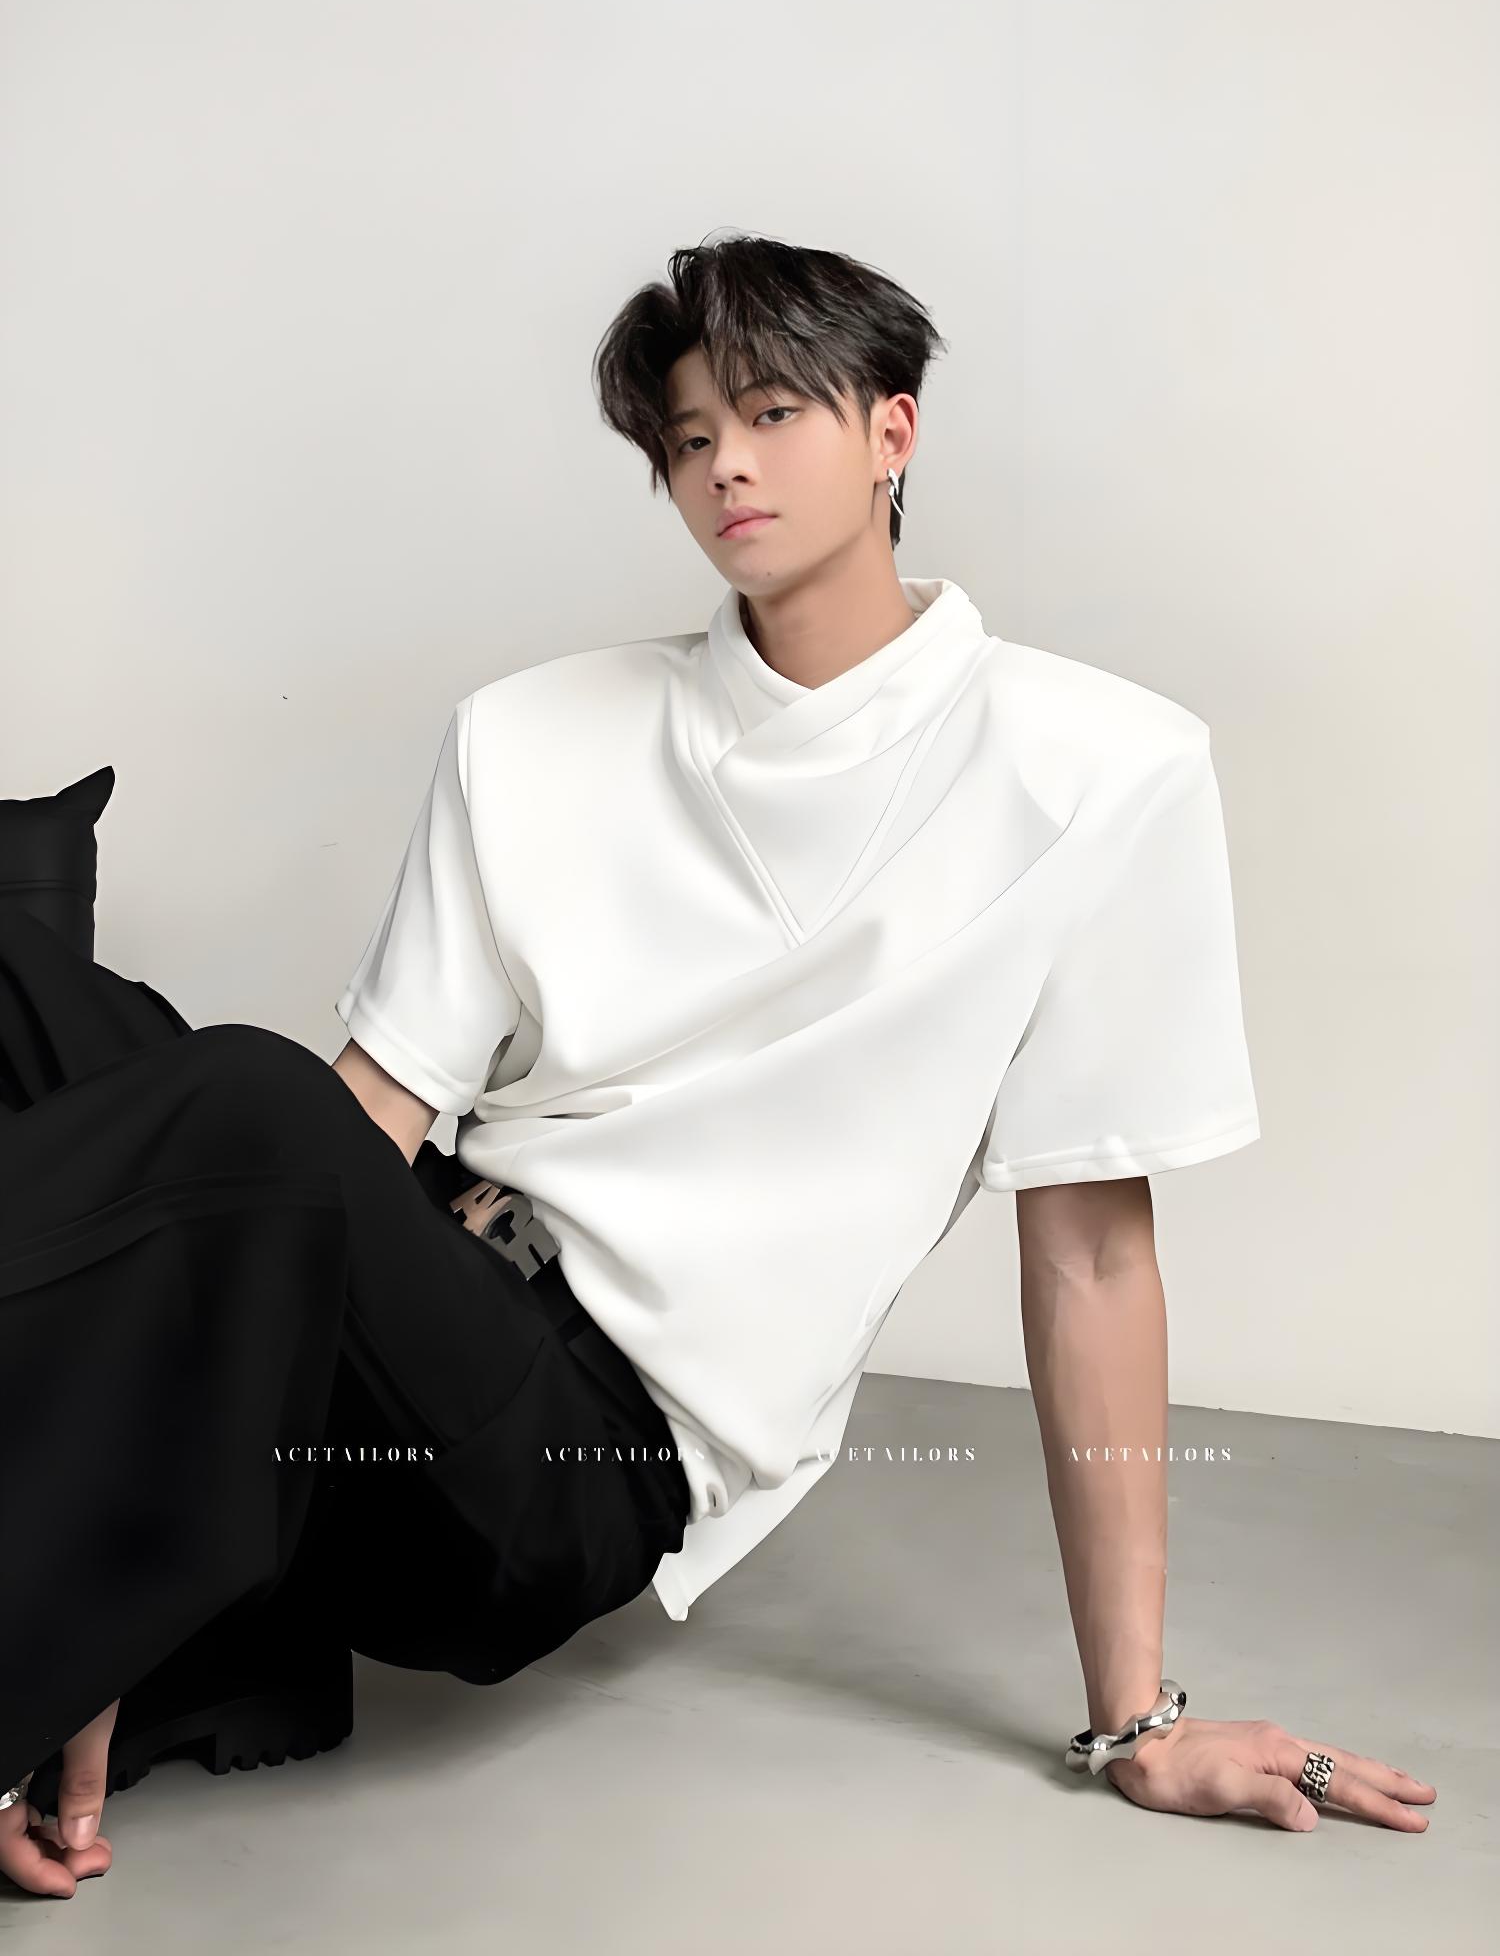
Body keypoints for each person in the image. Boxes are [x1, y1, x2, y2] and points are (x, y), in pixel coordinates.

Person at [0, 233, 1434, 1897]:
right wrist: (154, 1424)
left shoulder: (1099, 772)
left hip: (557, 1464)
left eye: (770, 413)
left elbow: (1095, 1256)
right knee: (87, 1018)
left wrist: (1139, 1721)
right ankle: (188, 1607)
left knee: (247, 1108)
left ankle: (120, 1593)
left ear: (892, 432)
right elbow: (379, 1108)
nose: (725, 464)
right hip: (398, 1311)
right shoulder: (534, 731)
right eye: (689, 438)